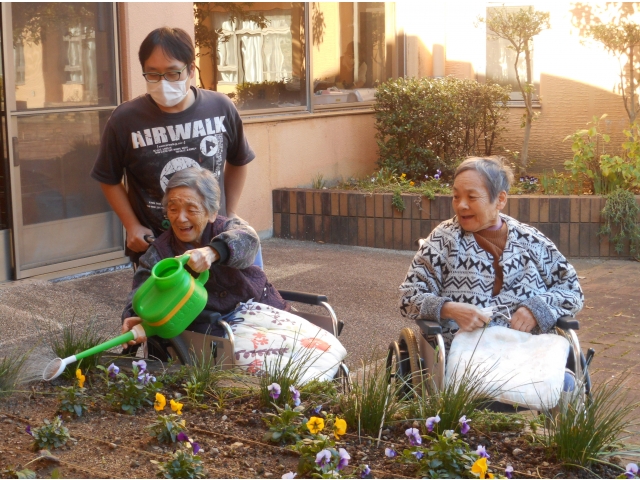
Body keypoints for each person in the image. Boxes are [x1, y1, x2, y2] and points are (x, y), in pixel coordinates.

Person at [120, 167, 346, 381]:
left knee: (325, 348)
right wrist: (135, 316)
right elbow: (140, 296)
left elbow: (248, 240)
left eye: (191, 209)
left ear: (211, 212)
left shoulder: (226, 228)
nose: (181, 218)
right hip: (215, 333)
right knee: (285, 370)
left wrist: (213, 252)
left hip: (262, 310)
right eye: (173, 208)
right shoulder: (160, 253)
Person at [91, 27, 254, 264]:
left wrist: (229, 212)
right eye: (153, 74)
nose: (163, 82)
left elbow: (239, 160)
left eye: (172, 73)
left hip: (213, 242)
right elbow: (108, 177)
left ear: (191, 69)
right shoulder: (125, 119)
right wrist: (132, 225)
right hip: (155, 246)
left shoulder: (220, 108)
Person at [399, 157, 584, 351]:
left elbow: (572, 290)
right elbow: (408, 297)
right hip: (463, 354)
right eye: (456, 196)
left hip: (527, 352)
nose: (461, 205)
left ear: (500, 199)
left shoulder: (531, 240)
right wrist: (450, 309)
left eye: (471, 197)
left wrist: (536, 309)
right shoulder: (443, 240)